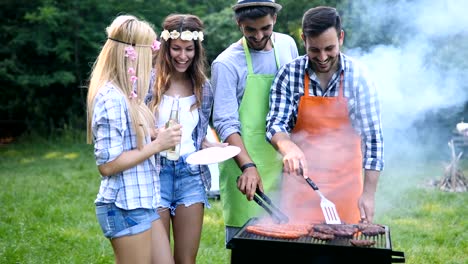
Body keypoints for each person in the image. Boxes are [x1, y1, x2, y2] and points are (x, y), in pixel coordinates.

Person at [266, 6, 384, 225]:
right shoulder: (289, 74)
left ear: (341, 37)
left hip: (347, 189)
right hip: (300, 189)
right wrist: (288, 146)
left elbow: (373, 139)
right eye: (314, 49)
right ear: (303, 39)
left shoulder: (359, 77)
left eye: (329, 48)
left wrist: (369, 194)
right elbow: (275, 124)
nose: (322, 57)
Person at [86, 15, 179, 263]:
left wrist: (155, 136)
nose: (154, 58)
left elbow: (130, 140)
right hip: (123, 206)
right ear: (132, 54)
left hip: (142, 202)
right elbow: (107, 165)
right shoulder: (111, 98)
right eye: (150, 51)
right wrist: (157, 146)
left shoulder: (129, 94)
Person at [211, 0, 299, 244]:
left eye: (265, 28)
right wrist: (248, 167)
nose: (259, 36)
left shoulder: (287, 45)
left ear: (275, 21)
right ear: (239, 24)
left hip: (283, 166)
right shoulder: (226, 63)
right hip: (245, 169)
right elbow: (225, 122)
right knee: (249, 250)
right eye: (250, 30)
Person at [146, 14, 217, 264]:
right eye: (176, 48)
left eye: (189, 49)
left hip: (190, 175)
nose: (182, 56)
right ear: (166, 47)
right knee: (159, 259)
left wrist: (215, 147)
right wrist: (155, 135)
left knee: (186, 260)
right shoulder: (150, 83)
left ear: (197, 50)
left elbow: (198, 135)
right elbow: (137, 128)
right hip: (156, 172)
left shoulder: (203, 87)